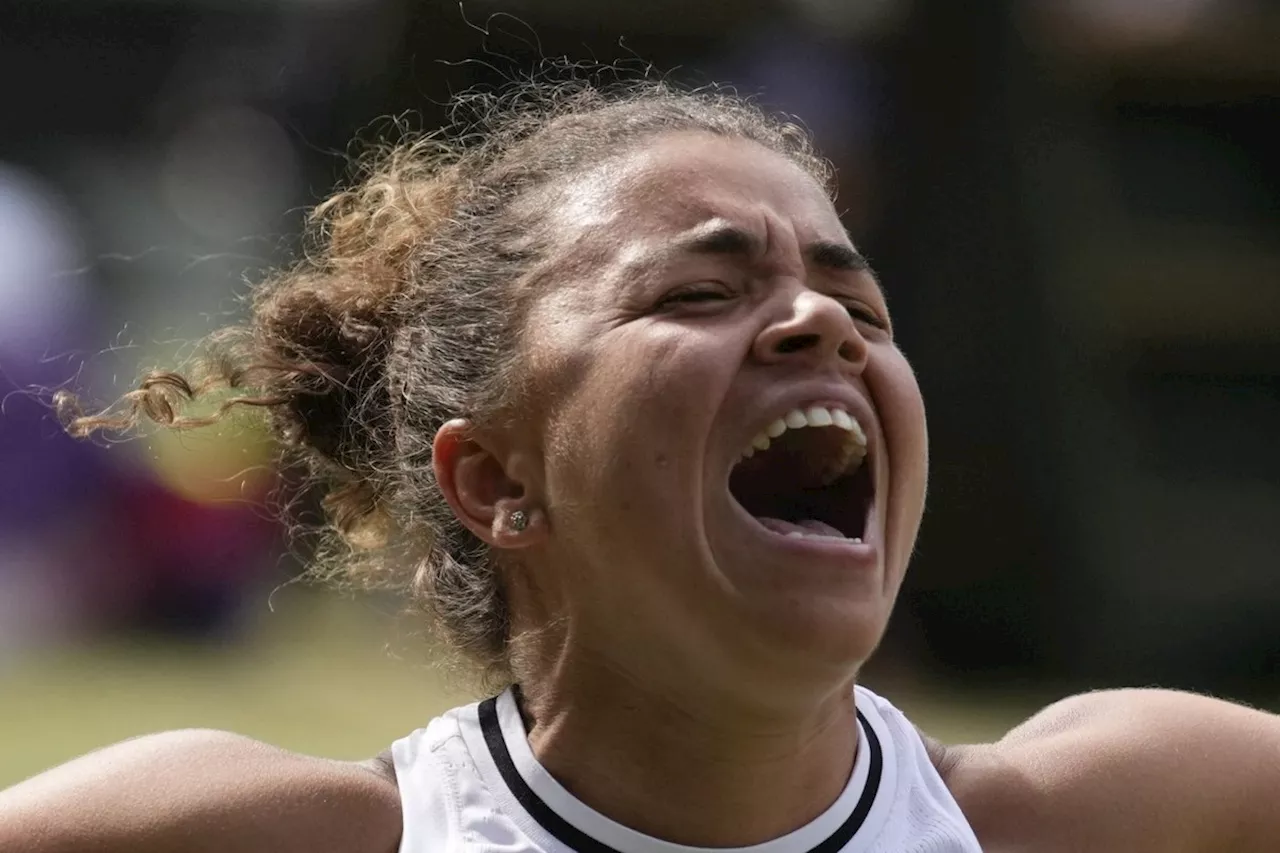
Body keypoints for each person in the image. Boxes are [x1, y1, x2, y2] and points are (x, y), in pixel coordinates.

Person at [2, 76, 1278, 853]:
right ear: (495, 480)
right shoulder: (241, 835)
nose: (822, 323)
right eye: (701, 288)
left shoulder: (1143, 813)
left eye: (863, 310)